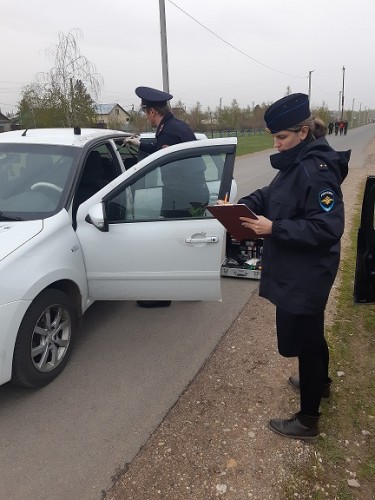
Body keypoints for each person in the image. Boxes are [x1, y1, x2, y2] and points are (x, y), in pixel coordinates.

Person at [222, 93, 350, 441]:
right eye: (274, 137)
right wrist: (242, 206)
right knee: (312, 331)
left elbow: (328, 227)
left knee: (307, 341)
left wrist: (274, 228)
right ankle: (321, 384)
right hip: (299, 266)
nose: (277, 145)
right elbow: (271, 194)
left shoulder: (316, 169)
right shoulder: (297, 161)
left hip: (310, 270)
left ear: (304, 132)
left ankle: (308, 420)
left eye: (282, 138)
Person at [125, 86, 208, 308]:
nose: (146, 117)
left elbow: (162, 155)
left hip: (180, 195)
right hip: (191, 193)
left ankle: (162, 296)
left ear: (152, 111)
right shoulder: (174, 126)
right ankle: (194, 288)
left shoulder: (169, 131)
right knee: (187, 243)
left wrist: (141, 148)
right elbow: (161, 149)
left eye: (145, 112)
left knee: (172, 243)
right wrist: (140, 143)